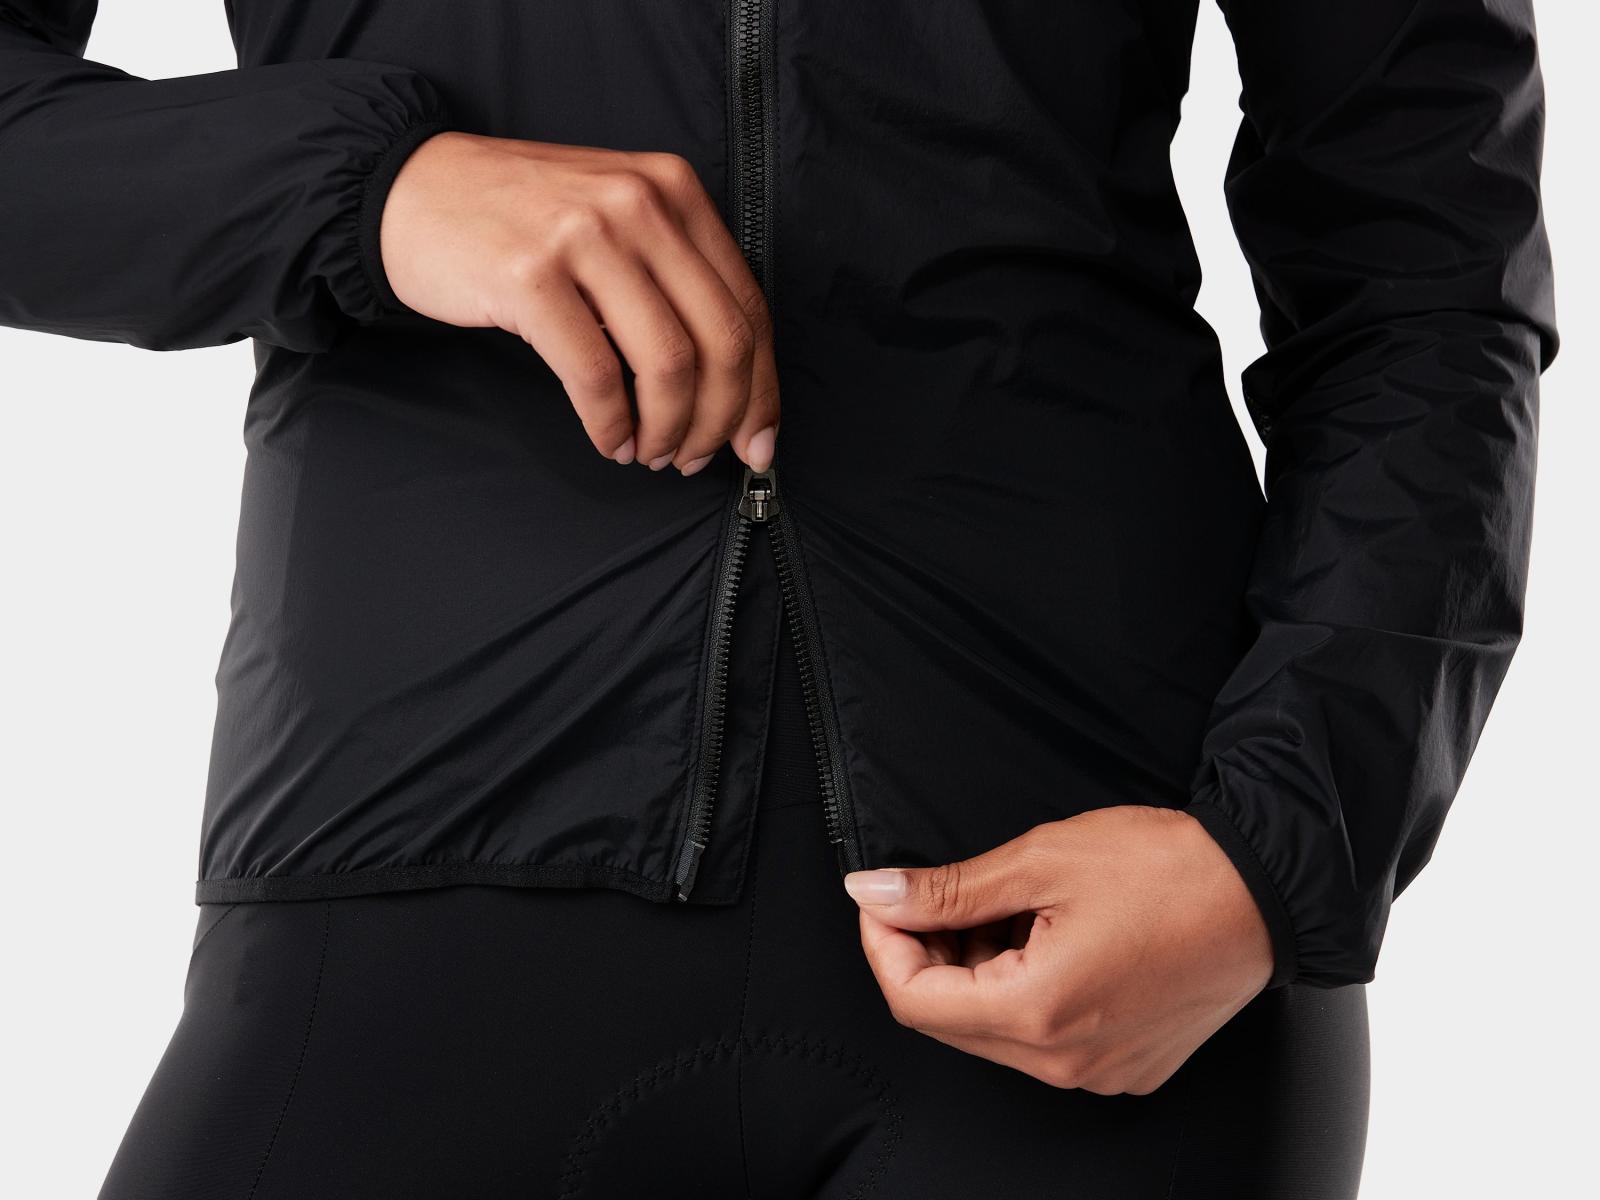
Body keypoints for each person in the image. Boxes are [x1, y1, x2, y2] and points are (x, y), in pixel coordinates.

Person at [0, 1, 1556, 1197]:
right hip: (406, 864)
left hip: (1109, 926)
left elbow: (1426, 264)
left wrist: (1279, 846)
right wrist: (377, 190)